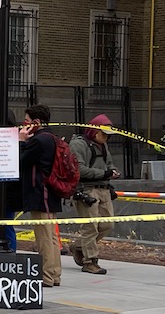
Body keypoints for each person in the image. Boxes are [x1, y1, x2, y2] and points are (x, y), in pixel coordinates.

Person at [69, 114, 119, 276]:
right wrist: (105, 173)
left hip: (103, 189)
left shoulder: (102, 145)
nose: (107, 138)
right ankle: (90, 261)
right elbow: (79, 170)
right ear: (94, 131)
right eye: (104, 134)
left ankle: (78, 247)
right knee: (90, 227)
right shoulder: (78, 144)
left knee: (107, 225)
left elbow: (109, 163)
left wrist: (111, 172)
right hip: (86, 190)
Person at [17, 103, 62, 287]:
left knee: (43, 236)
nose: (24, 124)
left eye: (26, 120)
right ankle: (55, 274)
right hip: (50, 192)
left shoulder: (38, 141)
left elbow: (20, 160)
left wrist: (21, 141)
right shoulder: (52, 137)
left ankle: (46, 276)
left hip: (39, 192)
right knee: (51, 236)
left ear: (36, 122)